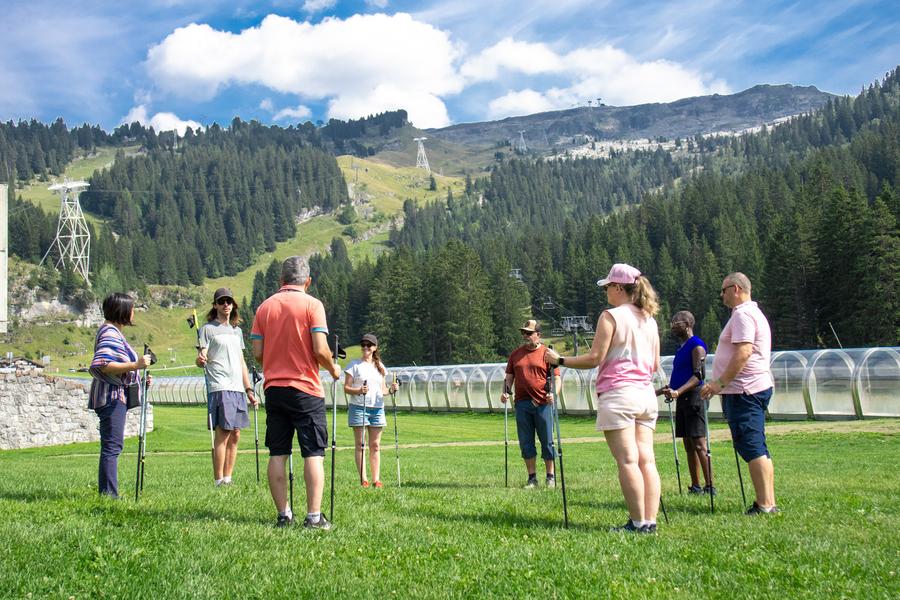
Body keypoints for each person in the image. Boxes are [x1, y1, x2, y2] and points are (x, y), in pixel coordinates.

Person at [545, 263, 662, 534]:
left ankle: (636, 522)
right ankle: (650, 521)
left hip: (619, 394)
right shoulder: (650, 319)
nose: (606, 291)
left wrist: (560, 359)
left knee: (627, 460)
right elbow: (655, 364)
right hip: (645, 394)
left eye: (608, 286)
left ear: (619, 287)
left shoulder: (611, 316)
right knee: (648, 460)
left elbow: (595, 358)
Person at [251, 256, 341, 529]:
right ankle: (313, 516)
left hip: (274, 388)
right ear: (308, 281)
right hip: (305, 388)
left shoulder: (264, 308)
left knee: (277, 452)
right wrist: (334, 368)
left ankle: (283, 514)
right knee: (313, 451)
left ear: (281, 280)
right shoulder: (313, 305)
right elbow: (320, 349)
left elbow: (257, 353)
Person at [701, 272, 778, 515]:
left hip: (744, 390)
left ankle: (765, 504)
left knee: (752, 445)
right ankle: (767, 500)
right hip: (750, 388)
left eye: (723, 290)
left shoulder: (743, 315)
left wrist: (718, 384)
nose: (721, 295)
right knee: (756, 445)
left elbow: (743, 352)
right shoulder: (750, 313)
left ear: (735, 288)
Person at [88, 293, 153, 499]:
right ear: (122, 310)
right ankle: (108, 495)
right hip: (111, 397)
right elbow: (105, 365)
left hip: (114, 395)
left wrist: (139, 379)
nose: (134, 313)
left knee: (113, 444)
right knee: (112, 446)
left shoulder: (113, 332)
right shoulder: (109, 333)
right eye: (132, 309)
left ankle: (109, 492)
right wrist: (137, 365)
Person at [196, 287, 259, 486]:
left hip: (238, 388)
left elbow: (241, 362)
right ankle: (218, 480)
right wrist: (200, 359)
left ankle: (228, 478)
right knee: (223, 432)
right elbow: (201, 359)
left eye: (229, 301)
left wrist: (249, 389)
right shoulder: (207, 329)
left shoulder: (237, 331)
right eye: (222, 301)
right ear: (215, 305)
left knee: (236, 434)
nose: (226, 305)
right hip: (220, 385)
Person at [499, 320, 561, 489]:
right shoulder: (515, 354)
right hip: (522, 404)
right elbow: (509, 377)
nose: (525, 336)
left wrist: (554, 394)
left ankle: (550, 477)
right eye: (524, 333)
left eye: (529, 333)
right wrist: (505, 391)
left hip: (543, 403)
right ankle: (532, 478)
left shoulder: (547, 354)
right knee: (526, 442)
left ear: (538, 335)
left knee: (547, 440)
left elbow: (556, 378)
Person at [655, 311, 712, 494]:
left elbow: (698, 376)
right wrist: (664, 390)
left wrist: (678, 391)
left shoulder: (697, 346)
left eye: (676, 322)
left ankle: (710, 486)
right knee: (688, 443)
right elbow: (679, 378)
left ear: (687, 324)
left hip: (694, 396)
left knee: (699, 442)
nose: (672, 325)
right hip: (681, 397)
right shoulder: (681, 349)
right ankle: (695, 486)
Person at [343, 333, 399, 488]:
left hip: (377, 409)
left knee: (375, 445)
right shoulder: (354, 365)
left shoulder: (380, 367)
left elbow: (383, 390)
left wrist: (392, 390)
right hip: (359, 407)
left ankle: (376, 480)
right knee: (360, 444)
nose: (366, 347)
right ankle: (363, 479)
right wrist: (359, 390)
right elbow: (346, 388)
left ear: (375, 348)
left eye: (369, 345)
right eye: (363, 345)